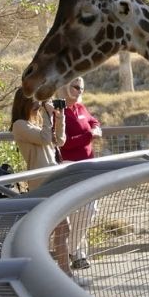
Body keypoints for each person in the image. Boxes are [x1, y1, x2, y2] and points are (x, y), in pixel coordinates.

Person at [10, 89, 72, 274]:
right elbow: (45, 138)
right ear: (25, 103)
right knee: (50, 229)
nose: (39, 104)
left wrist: (59, 118)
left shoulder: (36, 122)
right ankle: (47, 271)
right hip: (41, 182)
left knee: (62, 227)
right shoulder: (20, 125)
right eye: (36, 101)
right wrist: (47, 114)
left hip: (53, 177)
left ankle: (63, 273)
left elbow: (59, 141)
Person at [56, 77, 101, 270]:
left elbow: (93, 120)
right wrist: (89, 136)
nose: (79, 91)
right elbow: (65, 142)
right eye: (75, 87)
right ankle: (75, 252)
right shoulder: (59, 112)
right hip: (70, 167)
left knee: (90, 209)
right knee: (76, 210)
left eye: (82, 88)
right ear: (66, 87)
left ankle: (74, 250)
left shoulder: (81, 109)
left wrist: (96, 127)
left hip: (88, 167)